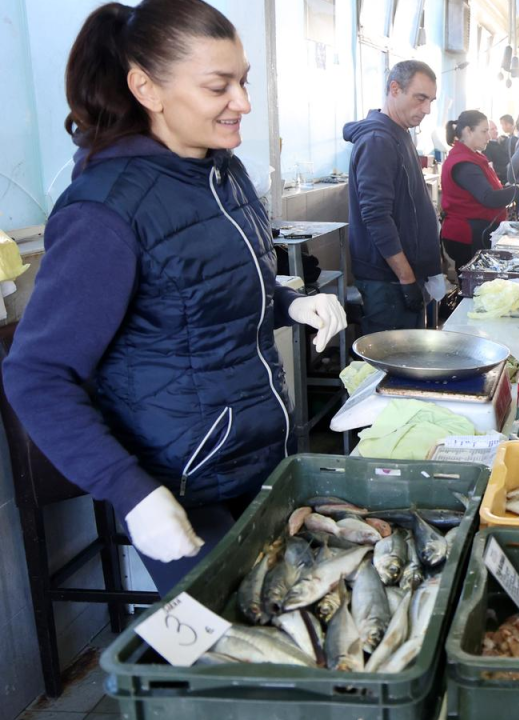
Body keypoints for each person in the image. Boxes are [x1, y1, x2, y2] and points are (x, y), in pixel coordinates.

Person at [3, 0, 347, 592]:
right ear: (147, 88)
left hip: (262, 459)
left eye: (243, 81)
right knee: (230, 641)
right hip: (184, 485)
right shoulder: (105, 210)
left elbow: (205, 290)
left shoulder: (223, 174)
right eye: (219, 86)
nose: (243, 102)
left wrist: (287, 301)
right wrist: (131, 493)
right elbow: (36, 374)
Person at [343, 59, 445, 333]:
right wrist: (407, 278)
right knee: (391, 357)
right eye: (420, 98)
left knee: (409, 353)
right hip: (388, 282)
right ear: (395, 89)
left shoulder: (399, 133)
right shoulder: (378, 140)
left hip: (401, 277)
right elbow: (377, 217)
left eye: (431, 101)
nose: (427, 109)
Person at [441, 110, 519, 268]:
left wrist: (511, 189)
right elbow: (489, 197)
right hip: (467, 235)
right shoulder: (463, 163)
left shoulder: (473, 157)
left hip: (479, 230)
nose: (488, 137)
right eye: (484, 131)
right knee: (472, 280)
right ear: (468, 131)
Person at [483, 118, 511, 186]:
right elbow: (491, 167)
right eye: (492, 129)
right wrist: (508, 168)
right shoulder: (486, 146)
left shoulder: (502, 140)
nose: (495, 131)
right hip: (502, 180)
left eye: (496, 128)